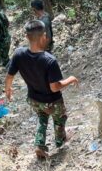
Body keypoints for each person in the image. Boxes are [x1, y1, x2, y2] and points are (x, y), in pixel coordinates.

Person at [5, 20, 78, 159]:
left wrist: (8, 90)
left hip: (34, 99)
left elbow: (9, 76)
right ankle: (60, 140)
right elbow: (54, 87)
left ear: (26, 36)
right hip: (52, 101)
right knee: (60, 118)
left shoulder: (19, 54)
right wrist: (70, 79)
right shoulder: (49, 60)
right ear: (44, 36)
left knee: (42, 118)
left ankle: (39, 144)